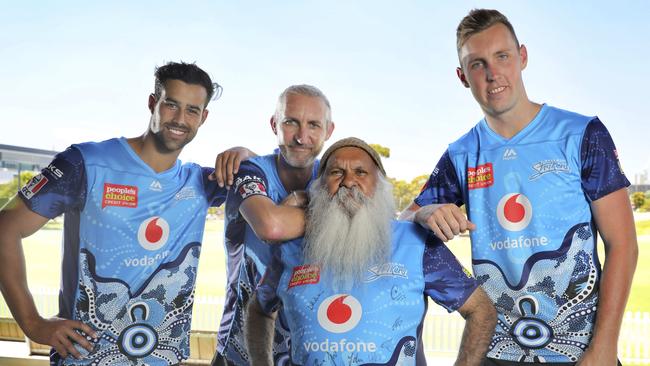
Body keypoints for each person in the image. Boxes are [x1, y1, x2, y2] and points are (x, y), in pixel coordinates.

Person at [400, 9, 638, 365]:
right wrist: (428, 211)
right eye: (477, 64)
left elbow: (622, 245)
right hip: (497, 352)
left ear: (522, 57)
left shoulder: (581, 134)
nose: (493, 73)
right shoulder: (461, 153)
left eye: (502, 56)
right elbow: (405, 221)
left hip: (579, 352)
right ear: (462, 76)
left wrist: (604, 347)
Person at [0, 61, 251, 365]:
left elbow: (266, 181)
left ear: (203, 117)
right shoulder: (85, 163)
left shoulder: (199, 182)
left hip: (163, 358)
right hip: (85, 357)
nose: (180, 118)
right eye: (171, 105)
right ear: (152, 103)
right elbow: (6, 228)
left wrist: (246, 155)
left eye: (192, 110)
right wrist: (33, 323)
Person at [246, 137, 496, 365]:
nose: (348, 181)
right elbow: (259, 310)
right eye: (336, 172)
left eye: (361, 172)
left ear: (379, 187)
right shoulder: (290, 249)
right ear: (319, 188)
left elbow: (481, 310)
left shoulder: (416, 244)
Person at [214, 85, 335, 365]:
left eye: (314, 125)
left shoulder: (332, 178)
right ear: (274, 124)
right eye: (291, 122)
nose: (302, 136)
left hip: (312, 348)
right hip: (241, 349)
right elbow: (271, 226)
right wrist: (329, 217)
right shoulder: (250, 169)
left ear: (328, 131)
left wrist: (299, 202)